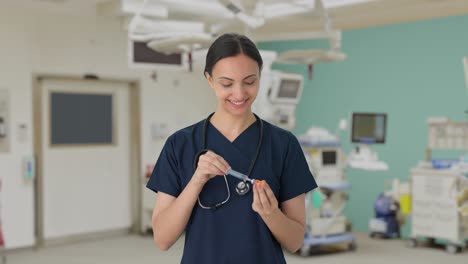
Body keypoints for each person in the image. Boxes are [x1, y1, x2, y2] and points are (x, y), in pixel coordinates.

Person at [147, 32, 317, 264]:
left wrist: (271, 213)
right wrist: (197, 180)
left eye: (249, 81)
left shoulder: (283, 145)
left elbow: (295, 241)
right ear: (209, 79)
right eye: (227, 83)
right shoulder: (180, 144)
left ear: (260, 77)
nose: (239, 93)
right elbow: (162, 239)